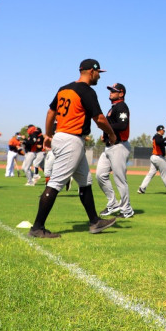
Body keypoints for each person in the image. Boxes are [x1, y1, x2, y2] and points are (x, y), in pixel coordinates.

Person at [27, 58, 118, 238]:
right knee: (55, 183)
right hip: (71, 140)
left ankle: (94, 222)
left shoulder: (64, 89)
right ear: (91, 71)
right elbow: (99, 118)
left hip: (62, 136)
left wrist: (48, 135)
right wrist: (112, 134)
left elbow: (50, 112)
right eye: (98, 72)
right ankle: (37, 227)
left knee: (85, 181)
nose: (99, 76)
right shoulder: (87, 91)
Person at [96, 83, 134, 219]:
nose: (110, 92)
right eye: (110, 90)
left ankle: (127, 209)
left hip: (119, 146)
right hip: (109, 146)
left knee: (120, 179)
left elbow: (122, 125)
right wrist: (105, 134)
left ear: (121, 93)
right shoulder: (114, 107)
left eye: (114, 91)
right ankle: (112, 203)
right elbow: (113, 126)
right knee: (100, 175)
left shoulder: (122, 106)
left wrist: (106, 127)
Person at [137, 125, 166, 196]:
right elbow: (159, 142)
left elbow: (162, 143)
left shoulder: (158, 137)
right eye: (163, 130)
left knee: (150, 174)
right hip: (158, 158)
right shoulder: (157, 136)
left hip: (154, 157)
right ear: (160, 130)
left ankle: (142, 188)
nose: (164, 131)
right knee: (164, 175)